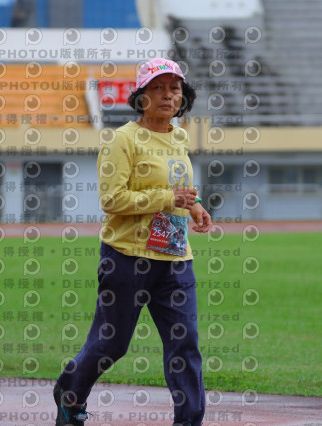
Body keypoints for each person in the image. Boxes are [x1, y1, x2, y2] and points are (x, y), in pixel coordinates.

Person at [54, 58, 213, 426]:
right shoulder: (122, 140)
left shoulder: (179, 137)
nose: (167, 95)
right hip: (126, 258)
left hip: (175, 258)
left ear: (183, 97)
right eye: (158, 88)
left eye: (174, 88)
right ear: (141, 97)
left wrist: (194, 206)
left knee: (185, 343)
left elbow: (178, 185)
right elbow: (112, 200)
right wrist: (168, 198)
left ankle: (189, 421)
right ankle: (70, 393)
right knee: (112, 344)